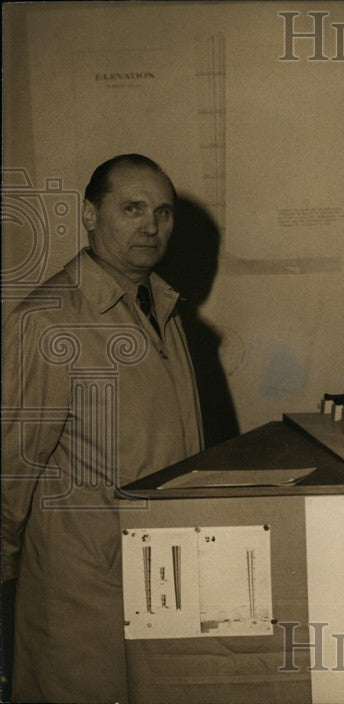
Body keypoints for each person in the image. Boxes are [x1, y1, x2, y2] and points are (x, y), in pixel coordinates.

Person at [1, 154, 204, 702]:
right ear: (89, 215)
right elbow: (10, 469)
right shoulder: (47, 319)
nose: (151, 225)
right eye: (132, 208)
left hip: (163, 573)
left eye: (163, 212)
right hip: (80, 590)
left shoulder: (162, 307)